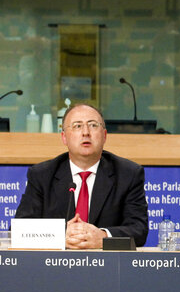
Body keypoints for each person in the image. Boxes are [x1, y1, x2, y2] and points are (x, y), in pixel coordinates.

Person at [16, 103, 149, 248]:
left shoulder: (128, 174)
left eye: (93, 125)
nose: (86, 132)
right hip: (54, 265)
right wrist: (59, 235)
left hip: (107, 267)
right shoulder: (42, 175)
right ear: (64, 137)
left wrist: (103, 237)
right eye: (77, 126)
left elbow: (139, 230)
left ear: (104, 136)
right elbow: (20, 230)